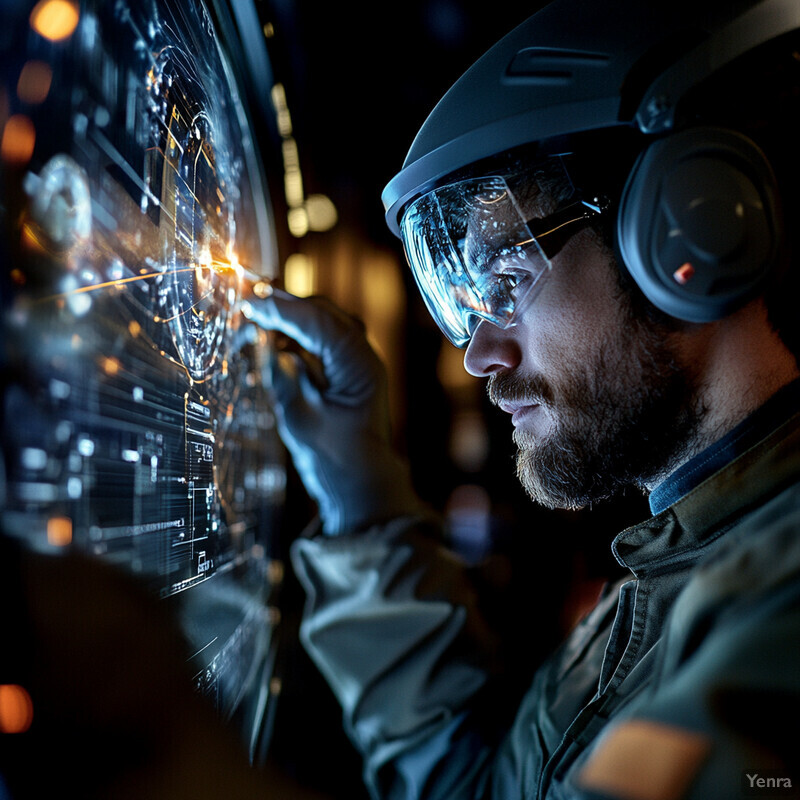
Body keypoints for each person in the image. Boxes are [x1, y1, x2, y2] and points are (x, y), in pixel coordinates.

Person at [244, 0, 800, 797]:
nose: (479, 356)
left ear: (687, 228)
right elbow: (477, 783)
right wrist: (363, 498)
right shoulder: (670, 578)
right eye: (468, 308)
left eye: (506, 283)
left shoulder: (777, 612)